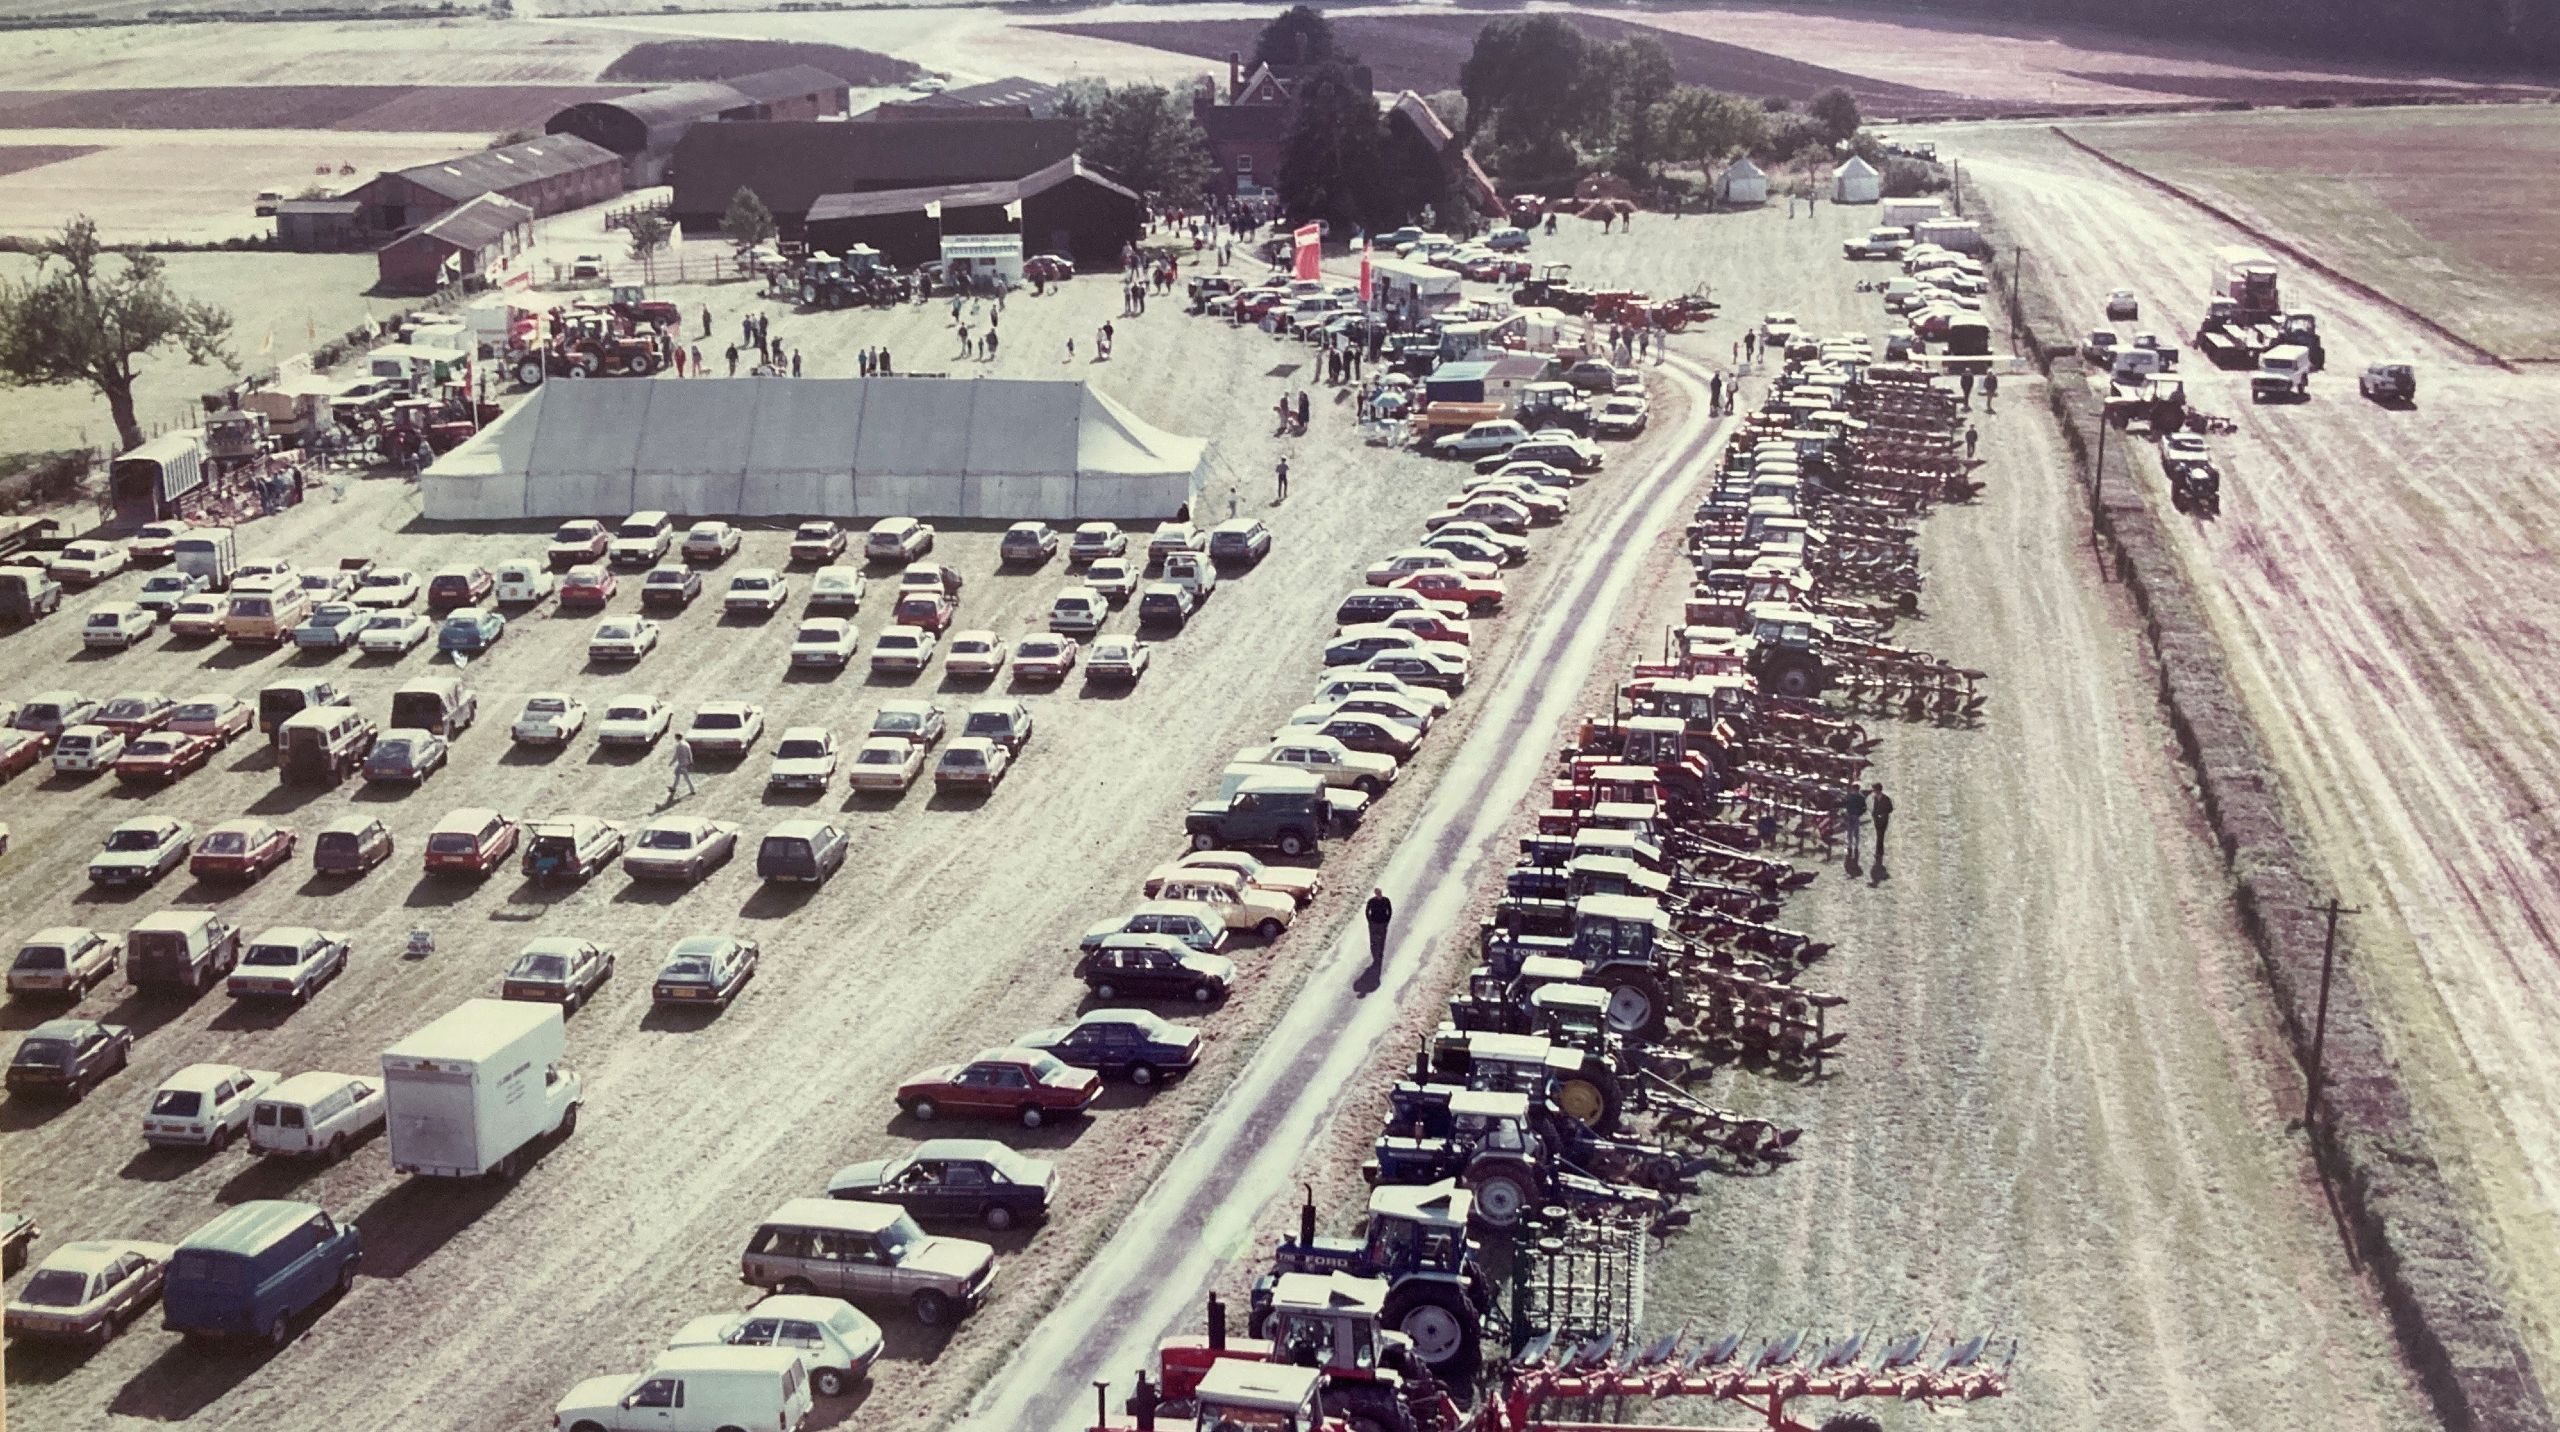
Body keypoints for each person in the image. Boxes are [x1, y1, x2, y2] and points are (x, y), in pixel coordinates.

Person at [1839, 784, 1869, 874]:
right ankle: (1855, 847)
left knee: (1850, 832)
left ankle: (1850, 846)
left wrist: (1846, 812)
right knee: (1856, 832)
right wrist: (1859, 813)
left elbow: (1844, 804)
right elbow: (1864, 808)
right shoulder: (1861, 797)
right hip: (1856, 816)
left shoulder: (1849, 796)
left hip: (1850, 815)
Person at [1869, 783, 1894, 873]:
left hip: (1883, 819)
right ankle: (1879, 851)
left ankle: (1879, 852)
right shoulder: (1876, 798)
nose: (1873, 791)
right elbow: (1875, 808)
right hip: (1877, 820)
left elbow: (1890, 809)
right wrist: (1874, 814)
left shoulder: (1886, 798)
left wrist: (1882, 813)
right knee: (1879, 835)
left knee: (1880, 835)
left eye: (1874, 789)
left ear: (1878, 790)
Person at [1366, 887, 1393, 964]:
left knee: (1382, 939)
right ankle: (1374, 955)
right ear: (1375, 894)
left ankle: (1380, 952)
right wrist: (1369, 921)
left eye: (1379, 893)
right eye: (1377, 893)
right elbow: (1367, 911)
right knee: (1373, 940)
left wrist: (1387, 920)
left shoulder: (1386, 900)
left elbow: (1390, 910)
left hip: (1383, 923)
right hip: (1374, 923)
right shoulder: (1371, 901)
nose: (1379, 894)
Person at [668, 734, 697, 799]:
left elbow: (676, 756)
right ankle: (691, 790)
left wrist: (671, 763)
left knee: (678, 774)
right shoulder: (686, 744)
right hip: (686, 762)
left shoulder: (679, 746)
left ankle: (674, 788)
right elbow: (690, 753)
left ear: (677, 738)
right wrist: (691, 761)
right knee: (682, 775)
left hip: (682, 763)